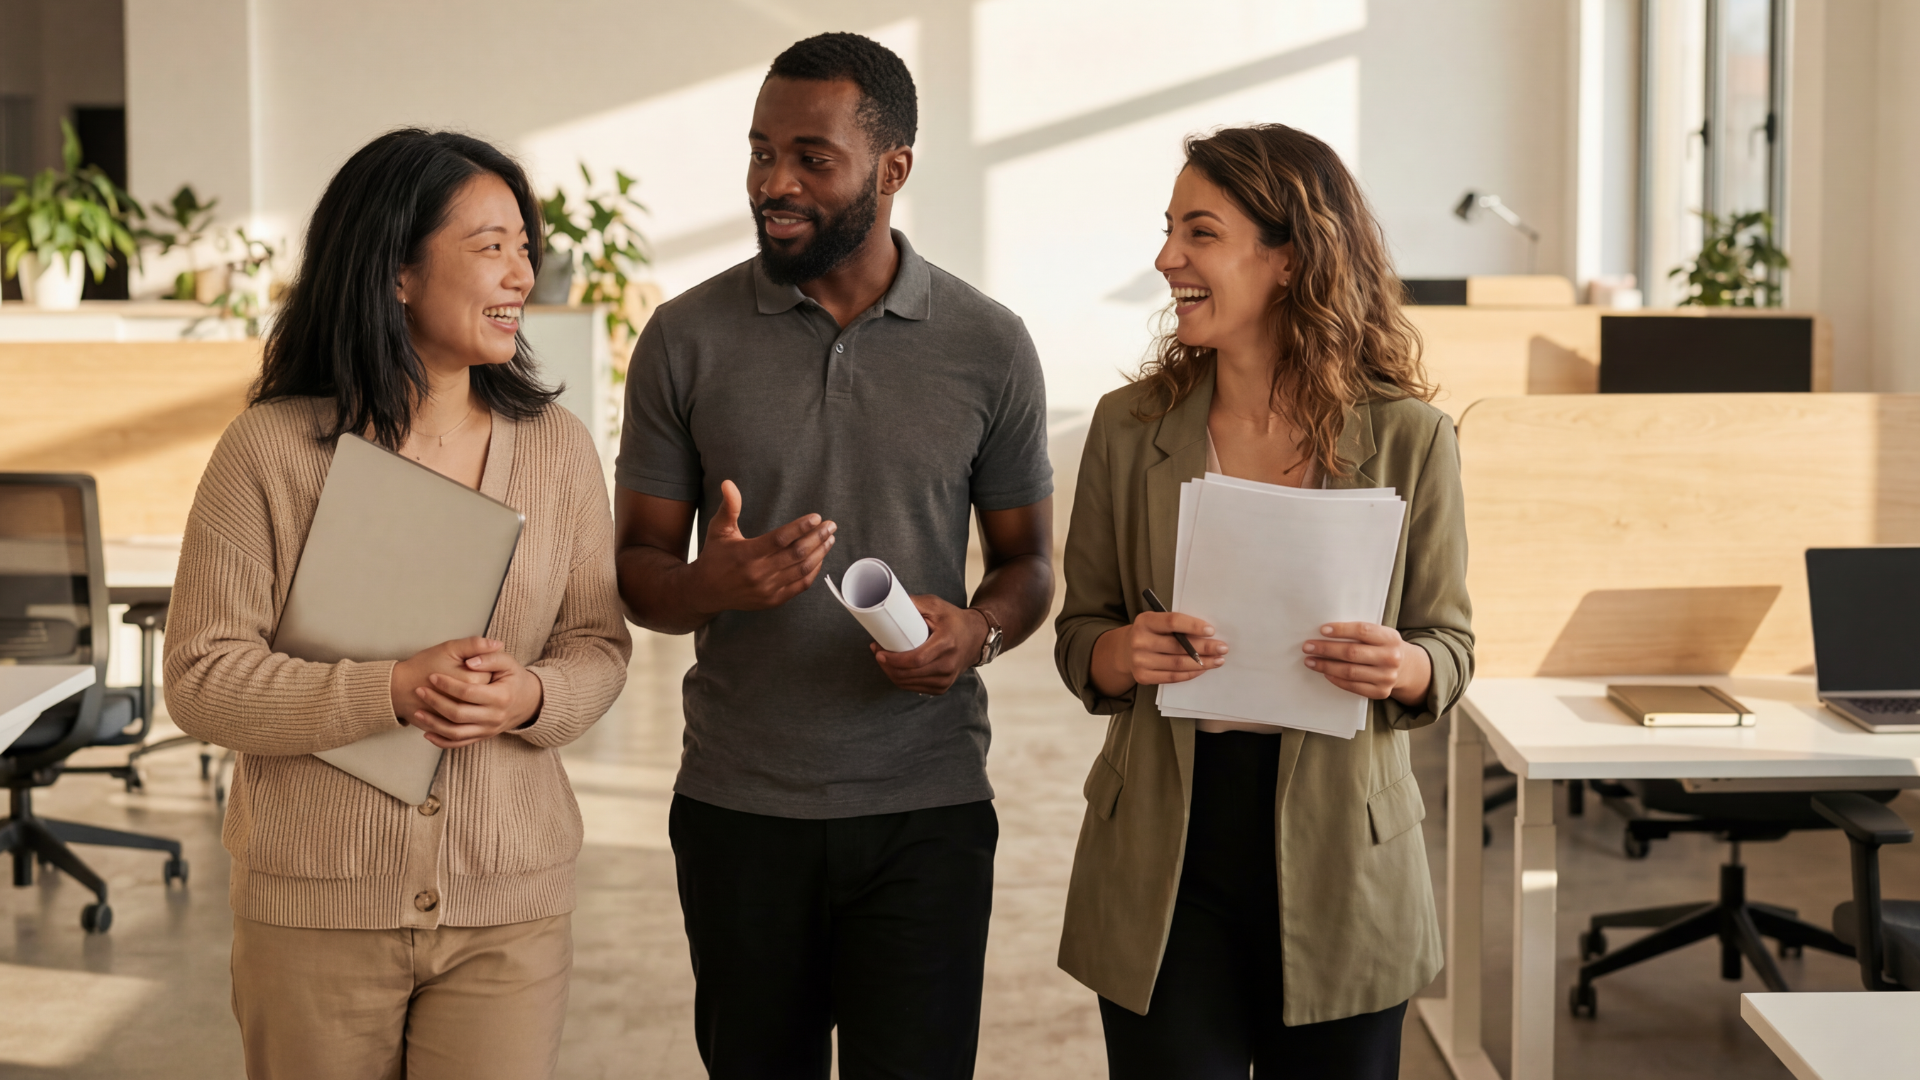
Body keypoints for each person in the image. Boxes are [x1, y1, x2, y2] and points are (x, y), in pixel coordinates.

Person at [614, 32, 1055, 1080]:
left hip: (928, 806)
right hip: (739, 806)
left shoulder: (988, 346)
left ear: (893, 169)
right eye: (762, 151)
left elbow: (1030, 565)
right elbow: (637, 567)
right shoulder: (684, 338)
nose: (775, 183)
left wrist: (978, 632)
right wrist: (707, 585)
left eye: (813, 158)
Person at [163, 129, 632, 1080]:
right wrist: (387, 690)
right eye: (489, 244)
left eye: (524, 245)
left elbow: (598, 643)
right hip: (314, 905)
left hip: (509, 904)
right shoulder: (269, 451)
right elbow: (201, 679)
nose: (521, 272)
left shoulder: (559, 449)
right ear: (396, 273)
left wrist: (531, 697)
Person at [1052, 124, 1473, 1079]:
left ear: (1288, 257)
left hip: (1343, 851)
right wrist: (1126, 652)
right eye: (1169, 230)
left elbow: (1449, 644)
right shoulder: (1129, 429)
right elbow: (1081, 631)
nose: (1167, 259)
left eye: (1199, 233)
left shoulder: (1412, 439)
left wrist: (1402, 666)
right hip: (1166, 844)